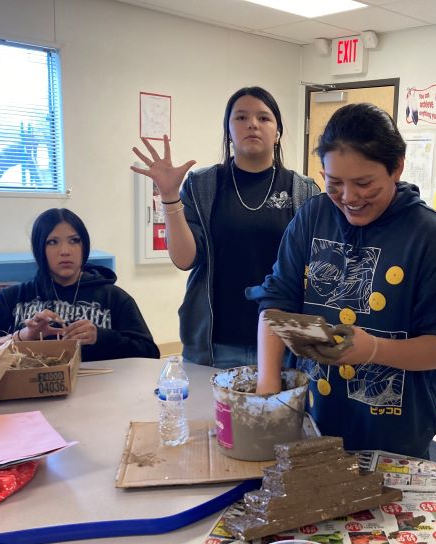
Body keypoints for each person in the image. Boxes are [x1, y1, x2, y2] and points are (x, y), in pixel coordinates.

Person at [247, 103, 436, 459]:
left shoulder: (430, 236)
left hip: (392, 441)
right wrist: (268, 387)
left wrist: (374, 350)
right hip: (311, 424)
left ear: (397, 166)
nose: (349, 198)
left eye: (364, 183)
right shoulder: (314, 215)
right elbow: (276, 303)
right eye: (334, 182)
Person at [131, 87, 319, 368]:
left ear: (278, 132)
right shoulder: (203, 185)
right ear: (228, 131)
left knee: (282, 413)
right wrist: (169, 195)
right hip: (214, 343)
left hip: (285, 344)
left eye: (264, 118)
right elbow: (185, 259)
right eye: (241, 117)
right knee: (210, 414)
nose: (252, 124)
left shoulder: (303, 191)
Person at [0, 208, 159, 361]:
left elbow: (149, 353)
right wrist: (23, 336)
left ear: (84, 246)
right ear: (40, 249)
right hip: (27, 396)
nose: (65, 251)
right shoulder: (12, 298)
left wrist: (101, 337)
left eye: (74, 241)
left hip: (100, 397)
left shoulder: (114, 297)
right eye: (52, 242)